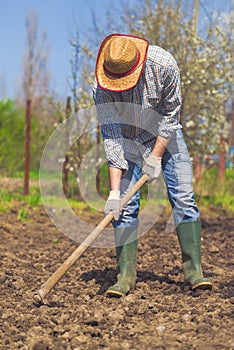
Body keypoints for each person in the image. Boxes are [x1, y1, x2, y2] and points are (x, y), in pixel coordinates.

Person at [93, 33, 212, 297]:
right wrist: (114, 192)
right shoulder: (101, 87)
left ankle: (194, 271)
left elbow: (171, 115)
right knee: (123, 208)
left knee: (183, 198)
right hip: (127, 140)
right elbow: (112, 136)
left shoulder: (164, 65)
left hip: (166, 136)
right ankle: (125, 277)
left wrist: (156, 156)